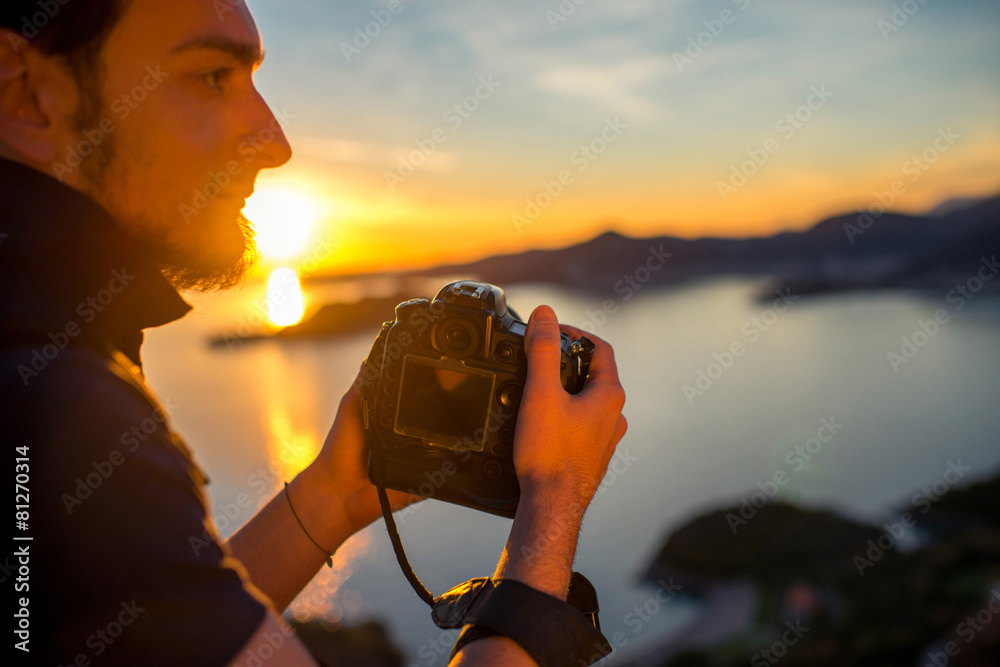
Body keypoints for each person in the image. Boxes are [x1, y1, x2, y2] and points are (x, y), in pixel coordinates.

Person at [0, 1, 627, 665]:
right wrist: (553, 502)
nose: (275, 141)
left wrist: (336, 491)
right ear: (27, 95)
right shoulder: (60, 413)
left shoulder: (39, 363)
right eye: (213, 75)